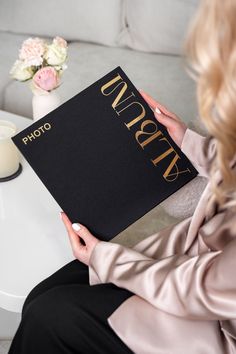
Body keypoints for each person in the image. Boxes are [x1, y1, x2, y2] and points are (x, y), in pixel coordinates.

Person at [8, 0, 236, 353]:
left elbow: (198, 289)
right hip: (198, 260)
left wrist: (106, 258)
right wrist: (187, 141)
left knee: (51, 316)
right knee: (42, 295)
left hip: (210, 319)